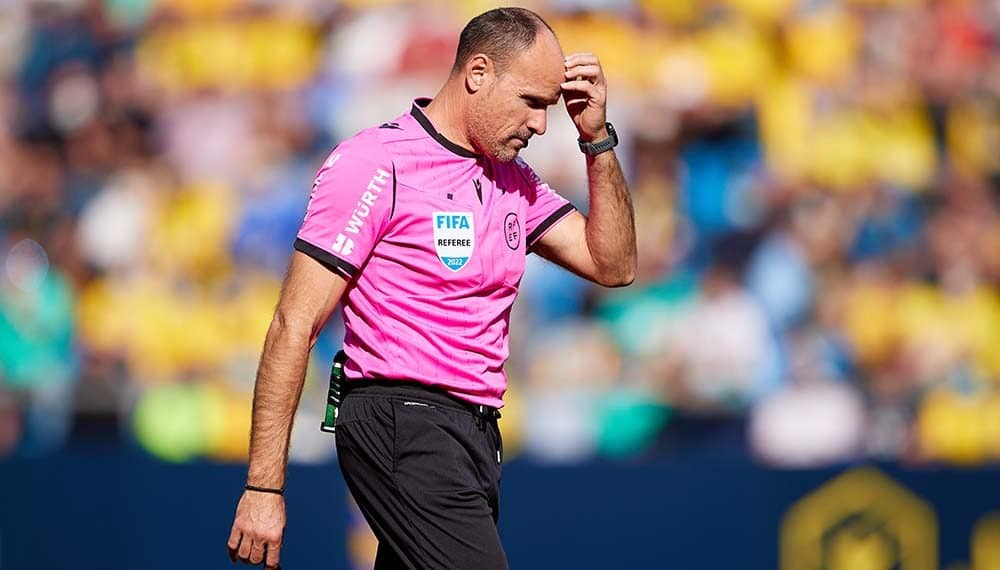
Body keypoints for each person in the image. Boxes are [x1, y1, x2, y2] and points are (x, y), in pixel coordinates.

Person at [227, 7, 636, 569]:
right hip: (402, 422)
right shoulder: (377, 163)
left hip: (474, 435)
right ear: (478, 74)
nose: (543, 125)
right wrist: (264, 488)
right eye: (532, 102)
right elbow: (293, 324)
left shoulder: (511, 180)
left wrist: (597, 141)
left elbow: (613, 265)